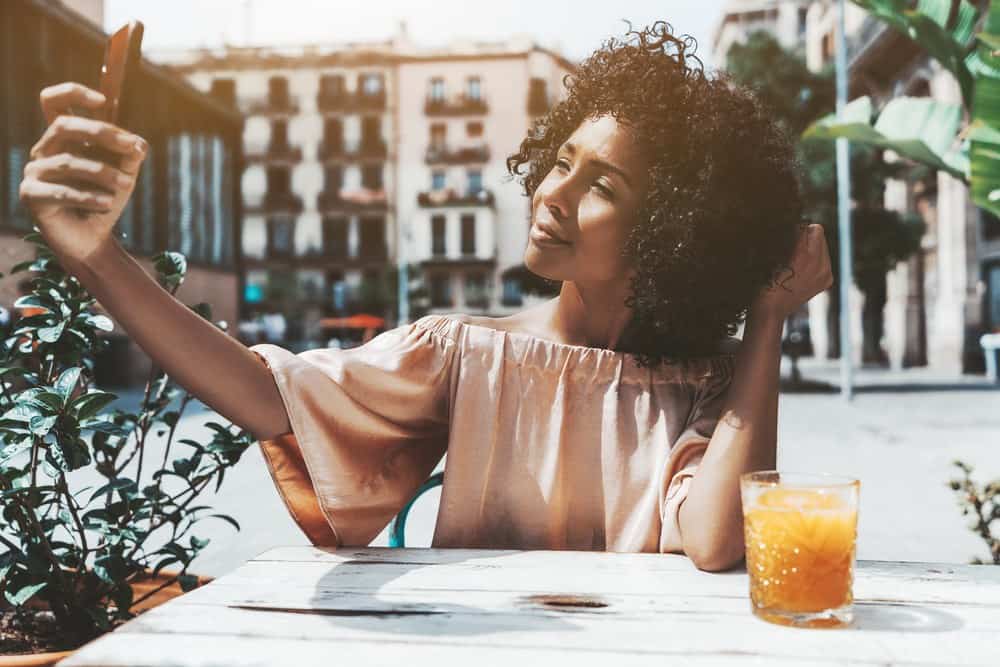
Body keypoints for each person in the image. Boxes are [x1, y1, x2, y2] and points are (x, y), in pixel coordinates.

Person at [18, 22, 831, 571]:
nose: (554, 192)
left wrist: (768, 318)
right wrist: (99, 259)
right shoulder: (469, 353)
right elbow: (271, 396)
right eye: (562, 160)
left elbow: (718, 539)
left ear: (675, 228)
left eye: (602, 183)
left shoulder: (712, 386)